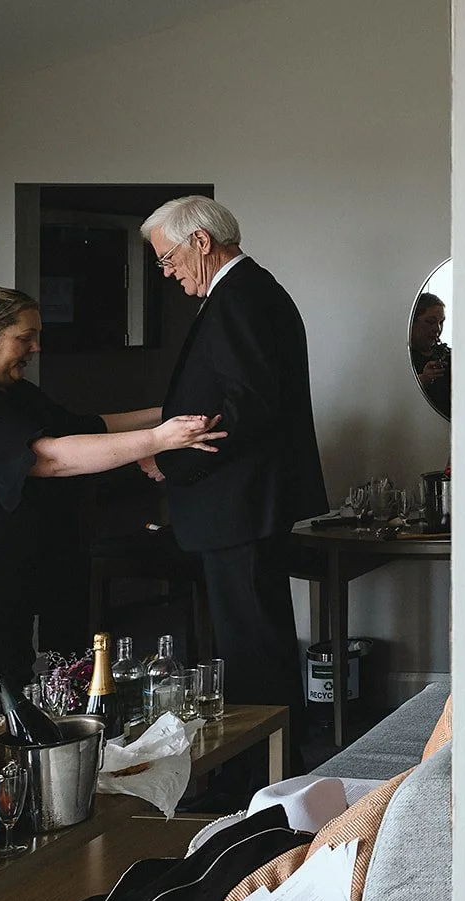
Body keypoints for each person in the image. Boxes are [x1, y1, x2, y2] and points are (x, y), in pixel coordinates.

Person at [0, 287, 224, 709]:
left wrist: (171, 415)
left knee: (13, 714)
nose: (36, 348)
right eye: (25, 337)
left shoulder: (10, 391)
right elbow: (50, 458)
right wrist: (159, 439)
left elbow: (82, 428)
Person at [139, 196, 328, 774]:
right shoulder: (250, 291)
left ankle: (260, 778)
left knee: (253, 651)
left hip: (238, 505)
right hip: (243, 504)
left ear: (201, 241)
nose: (167, 273)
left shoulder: (240, 296)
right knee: (256, 643)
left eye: (167, 258)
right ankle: (271, 771)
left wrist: (171, 461)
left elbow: (248, 406)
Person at [409, 292, 451, 418]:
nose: (437, 329)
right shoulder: (403, 357)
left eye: (441, 322)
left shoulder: (450, 357)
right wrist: (423, 379)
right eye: (430, 322)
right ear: (412, 323)